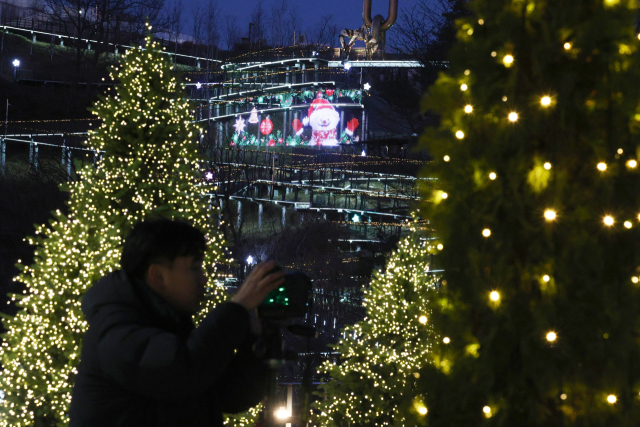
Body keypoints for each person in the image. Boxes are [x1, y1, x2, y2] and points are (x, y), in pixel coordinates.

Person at [69, 218, 285, 427]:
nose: (203, 278)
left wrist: (257, 336)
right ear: (158, 276)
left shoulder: (169, 324)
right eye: (194, 268)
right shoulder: (116, 331)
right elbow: (183, 373)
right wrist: (237, 308)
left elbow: (232, 395)